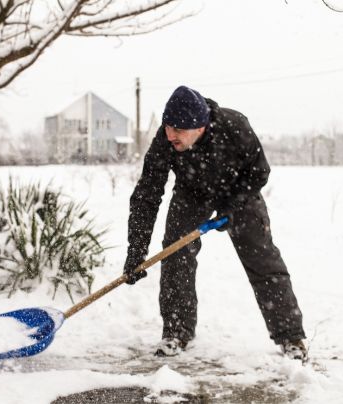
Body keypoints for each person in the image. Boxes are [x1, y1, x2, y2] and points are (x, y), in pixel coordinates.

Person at [123, 85, 307, 361]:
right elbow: (147, 194)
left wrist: (231, 205)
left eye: (178, 129)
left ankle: (291, 337)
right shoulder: (165, 141)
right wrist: (136, 250)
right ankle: (176, 331)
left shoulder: (234, 126)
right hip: (191, 194)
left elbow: (259, 172)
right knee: (175, 254)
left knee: (263, 260)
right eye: (167, 126)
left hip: (239, 191)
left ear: (199, 126)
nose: (170, 134)